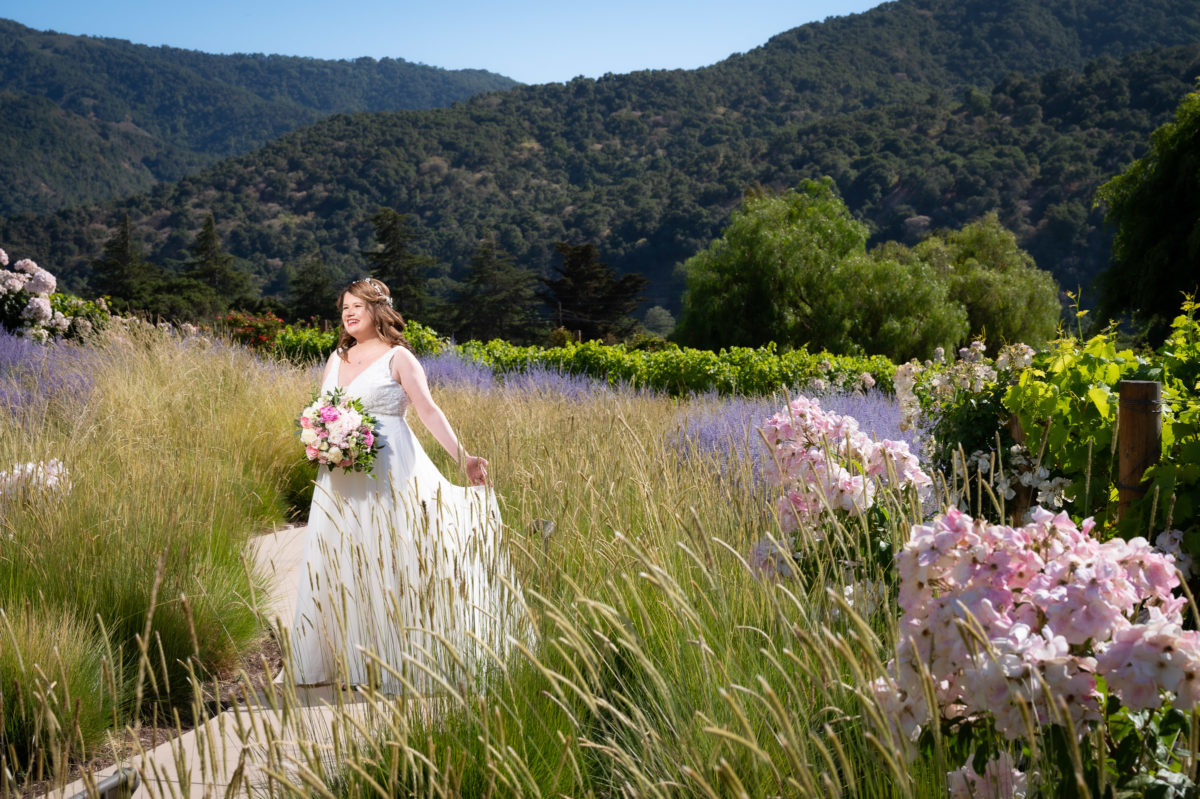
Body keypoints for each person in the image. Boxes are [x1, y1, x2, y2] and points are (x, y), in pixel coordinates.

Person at [285, 277, 527, 693]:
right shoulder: (336, 358)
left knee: (392, 554)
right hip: (341, 474)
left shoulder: (399, 358)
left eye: (357, 306)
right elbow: (324, 410)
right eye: (344, 307)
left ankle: (400, 660)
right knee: (345, 558)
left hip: (390, 467)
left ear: (378, 311)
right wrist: (322, 438)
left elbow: (428, 411)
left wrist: (463, 457)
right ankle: (353, 661)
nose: (348, 313)